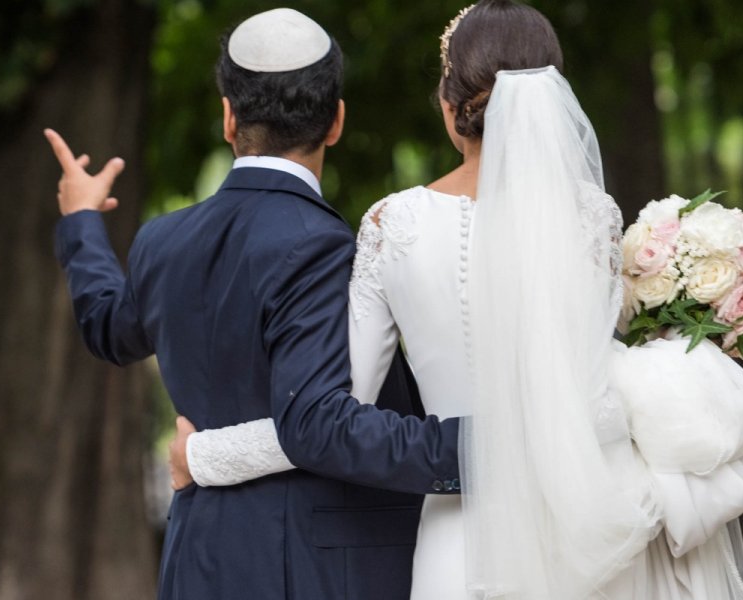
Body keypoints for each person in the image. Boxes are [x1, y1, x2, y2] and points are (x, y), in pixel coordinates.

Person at [171, 1, 743, 598]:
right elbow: (590, 386)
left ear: (452, 106)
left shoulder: (392, 224)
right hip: (593, 523)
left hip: (460, 537)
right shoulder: (594, 218)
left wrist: (206, 455)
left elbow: (330, 416)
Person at [46, 8, 464, 600]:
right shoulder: (322, 243)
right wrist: (484, 451)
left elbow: (107, 328)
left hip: (196, 561)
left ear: (228, 116)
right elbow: (320, 425)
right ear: (337, 120)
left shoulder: (162, 242)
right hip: (311, 570)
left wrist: (81, 222)